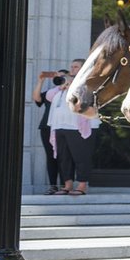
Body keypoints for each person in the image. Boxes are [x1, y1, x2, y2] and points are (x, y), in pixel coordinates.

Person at [47, 59, 100, 195]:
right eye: (71, 67)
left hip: (78, 127)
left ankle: (82, 185)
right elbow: (49, 96)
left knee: (81, 156)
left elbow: (90, 97)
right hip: (60, 125)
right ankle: (67, 185)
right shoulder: (65, 83)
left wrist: (73, 85)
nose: (72, 69)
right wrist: (61, 86)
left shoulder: (88, 82)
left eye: (75, 67)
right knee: (64, 157)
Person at [32, 66, 64, 194]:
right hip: (47, 127)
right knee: (51, 156)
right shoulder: (51, 93)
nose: (59, 79)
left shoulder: (70, 91)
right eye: (57, 77)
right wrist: (40, 81)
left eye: (62, 77)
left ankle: (65, 185)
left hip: (63, 127)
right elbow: (37, 99)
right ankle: (53, 186)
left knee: (64, 156)